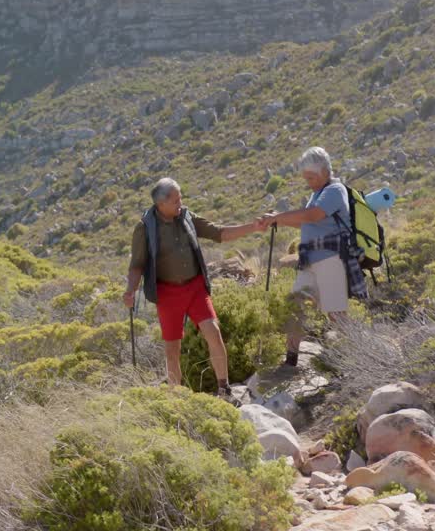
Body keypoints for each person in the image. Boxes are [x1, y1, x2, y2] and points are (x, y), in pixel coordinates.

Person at [124, 177, 265, 398]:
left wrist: (253, 227)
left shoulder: (187, 217)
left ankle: (224, 390)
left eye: (181, 198)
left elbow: (219, 233)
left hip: (195, 287)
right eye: (176, 200)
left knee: (213, 331)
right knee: (172, 350)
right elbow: (137, 266)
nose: (181, 203)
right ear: (161, 204)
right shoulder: (144, 228)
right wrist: (130, 290)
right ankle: (177, 398)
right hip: (167, 294)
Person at [259, 146, 366, 367]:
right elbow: (304, 220)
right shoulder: (317, 193)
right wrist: (276, 220)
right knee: (296, 306)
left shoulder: (335, 190)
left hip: (330, 258)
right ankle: (290, 361)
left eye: (312, 177)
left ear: (325, 171)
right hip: (310, 261)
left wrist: (279, 215)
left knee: (336, 313)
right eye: (306, 178)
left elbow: (313, 215)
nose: (309, 182)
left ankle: (359, 358)